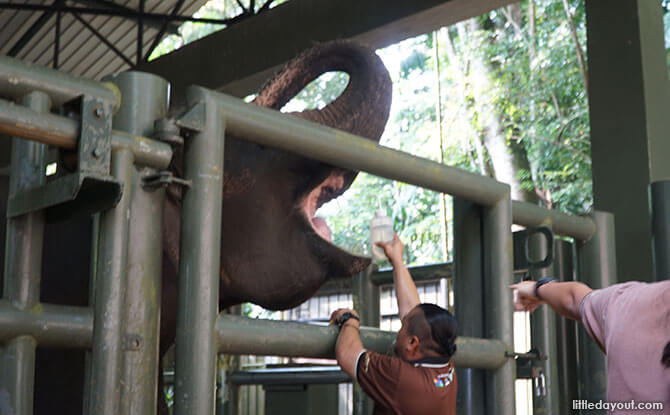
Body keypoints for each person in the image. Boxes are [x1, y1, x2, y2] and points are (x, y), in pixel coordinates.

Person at [330, 233, 458, 415]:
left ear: (413, 343)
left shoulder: (401, 377)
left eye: (402, 327)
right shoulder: (444, 363)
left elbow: (348, 355)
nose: (399, 330)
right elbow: (413, 312)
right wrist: (397, 260)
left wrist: (350, 319)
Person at [510, 277, 670, 408]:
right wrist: (537, 289)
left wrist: (537, 289)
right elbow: (575, 300)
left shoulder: (636, 304)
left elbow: (574, 299)